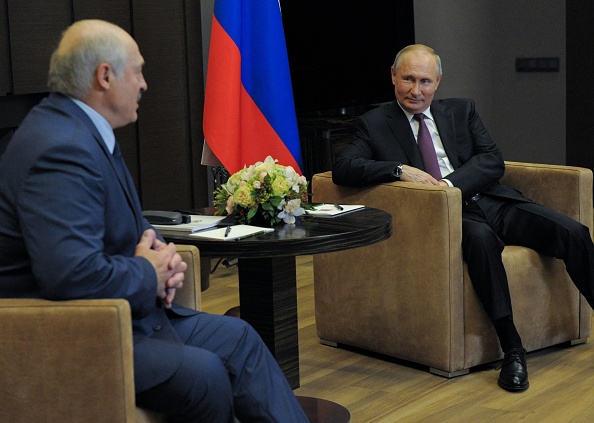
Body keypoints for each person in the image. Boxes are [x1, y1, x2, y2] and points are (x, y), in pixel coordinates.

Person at [0, 19, 308, 422]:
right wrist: (149, 272)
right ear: (105, 76)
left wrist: (162, 256)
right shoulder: (60, 149)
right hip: (74, 335)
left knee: (240, 338)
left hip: (125, 316)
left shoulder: (80, 130)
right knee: (207, 375)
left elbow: (108, 231)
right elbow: (70, 275)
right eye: (138, 70)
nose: (145, 84)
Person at [333, 43, 594, 393]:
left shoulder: (461, 110)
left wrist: (446, 183)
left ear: (438, 82)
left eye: (425, 81)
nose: (416, 90)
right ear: (393, 76)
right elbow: (343, 168)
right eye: (408, 78)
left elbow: (492, 161)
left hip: (492, 201)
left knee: (574, 232)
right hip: (448, 218)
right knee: (482, 241)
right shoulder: (374, 123)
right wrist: (398, 170)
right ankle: (513, 350)